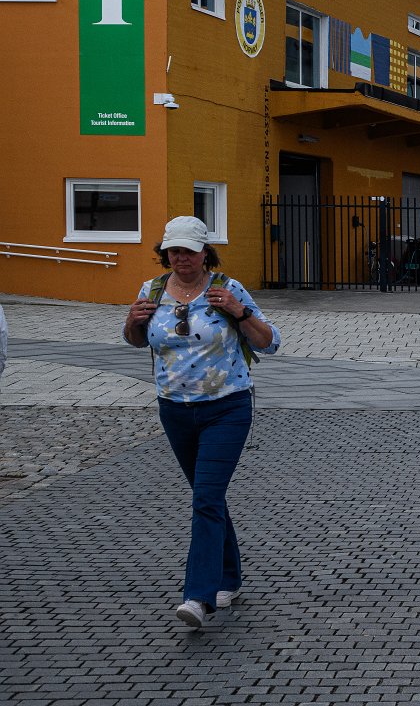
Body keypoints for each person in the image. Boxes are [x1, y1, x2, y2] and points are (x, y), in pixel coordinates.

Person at [121, 215, 280, 629]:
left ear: (205, 252)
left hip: (227, 408)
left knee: (205, 499)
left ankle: (198, 596)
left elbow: (270, 342)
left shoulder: (227, 289)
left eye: (189, 251)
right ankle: (229, 576)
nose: (181, 258)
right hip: (174, 410)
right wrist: (132, 322)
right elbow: (136, 341)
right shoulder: (152, 291)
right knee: (208, 497)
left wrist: (239, 312)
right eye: (173, 251)